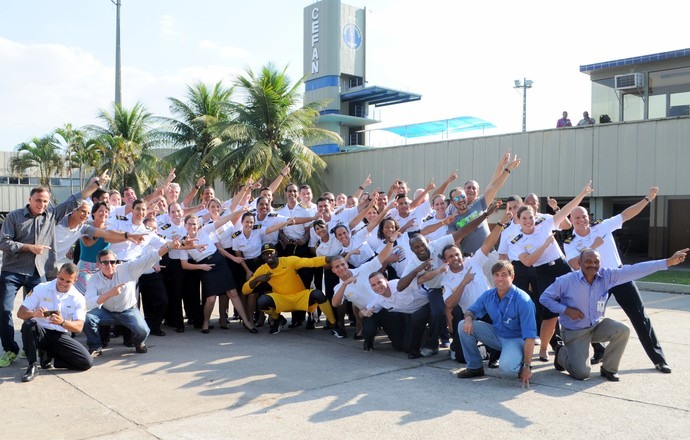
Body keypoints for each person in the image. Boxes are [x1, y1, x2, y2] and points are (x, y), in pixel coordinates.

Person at [0, 171, 108, 368]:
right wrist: (28, 247)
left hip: (37, 271)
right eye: (38, 200)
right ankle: (10, 349)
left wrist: (96, 184)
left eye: (45, 201)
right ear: (30, 199)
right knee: (5, 309)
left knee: (43, 310)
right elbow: (3, 242)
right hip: (12, 271)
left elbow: (73, 200)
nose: (41, 205)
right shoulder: (14, 217)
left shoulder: (50, 215)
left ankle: (34, 347)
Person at [564, 187, 672, 373]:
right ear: (571, 221)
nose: (581, 220)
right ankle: (598, 350)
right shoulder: (571, 242)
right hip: (596, 282)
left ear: (588, 217)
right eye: (577, 218)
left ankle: (658, 359)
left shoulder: (602, 226)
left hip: (619, 276)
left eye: (584, 216)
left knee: (640, 317)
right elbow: (575, 264)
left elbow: (626, 215)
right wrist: (592, 246)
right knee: (589, 319)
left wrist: (647, 199)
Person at [541, 248, 688, 381]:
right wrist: (566, 310)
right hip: (575, 331)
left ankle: (608, 369)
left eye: (596, 262)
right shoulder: (566, 281)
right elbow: (545, 298)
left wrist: (667, 262)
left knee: (622, 330)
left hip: (596, 326)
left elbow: (635, 270)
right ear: (579, 263)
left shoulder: (607, 276)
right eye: (588, 262)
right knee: (582, 374)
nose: (592, 265)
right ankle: (561, 352)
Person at [397, 201, 500, 358]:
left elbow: (464, 231)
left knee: (461, 311)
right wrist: (418, 270)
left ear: (428, 242)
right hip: (438, 288)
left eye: (423, 245)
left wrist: (485, 215)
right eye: (416, 248)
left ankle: (458, 345)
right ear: (412, 250)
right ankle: (432, 345)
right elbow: (400, 286)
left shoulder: (438, 244)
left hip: (456, 281)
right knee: (438, 312)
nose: (421, 249)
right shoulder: (413, 263)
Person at [507, 181, 593, 361]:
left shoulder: (545, 224)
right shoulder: (517, 240)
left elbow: (566, 212)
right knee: (550, 312)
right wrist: (545, 245)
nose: (529, 221)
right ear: (518, 219)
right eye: (525, 219)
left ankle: (588, 344)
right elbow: (528, 261)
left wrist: (582, 194)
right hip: (542, 272)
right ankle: (544, 348)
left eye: (531, 217)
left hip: (560, 266)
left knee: (578, 302)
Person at [83, 238, 189, 357]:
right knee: (88, 318)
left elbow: (150, 257)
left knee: (143, 331)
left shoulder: (128, 269)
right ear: (98, 264)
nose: (109, 265)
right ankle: (95, 346)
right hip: (106, 311)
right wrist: (109, 293)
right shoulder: (94, 279)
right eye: (105, 262)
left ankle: (138, 343)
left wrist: (169, 247)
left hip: (128, 310)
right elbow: (88, 302)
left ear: (116, 262)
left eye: (112, 262)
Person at [456, 261, 537, 388]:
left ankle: (521, 363)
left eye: (504, 275)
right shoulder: (489, 295)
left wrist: (527, 366)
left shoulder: (523, 300)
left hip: (516, 340)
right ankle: (475, 367)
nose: (499, 279)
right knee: (462, 325)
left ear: (512, 277)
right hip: (497, 335)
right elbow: (471, 311)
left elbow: (530, 337)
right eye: (496, 275)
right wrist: (468, 319)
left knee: (507, 369)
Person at [16, 263, 92, 382]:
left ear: (75, 280)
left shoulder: (78, 298)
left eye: (68, 281)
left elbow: (78, 327)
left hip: (60, 335)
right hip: (40, 332)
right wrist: (33, 313)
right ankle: (32, 365)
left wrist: (62, 322)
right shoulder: (41, 288)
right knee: (28, 324)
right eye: (61, 279)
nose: (63, 283)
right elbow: (20, 313)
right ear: (57, 274)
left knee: (86, 362)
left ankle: (50, 357)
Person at [242, 244, 339, 335]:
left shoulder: (289, 261)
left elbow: (311, 262)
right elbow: (245, 290)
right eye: (265, 254)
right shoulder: (262, 269)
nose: (269, 255)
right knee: (262, 301)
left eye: (271, 252)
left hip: (300, 297)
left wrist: (332, 258)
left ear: (276, 253)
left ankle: (333, 324)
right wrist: (257, 280)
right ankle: (278, 319)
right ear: (262, 257)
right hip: (282, 300)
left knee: (318, 294)